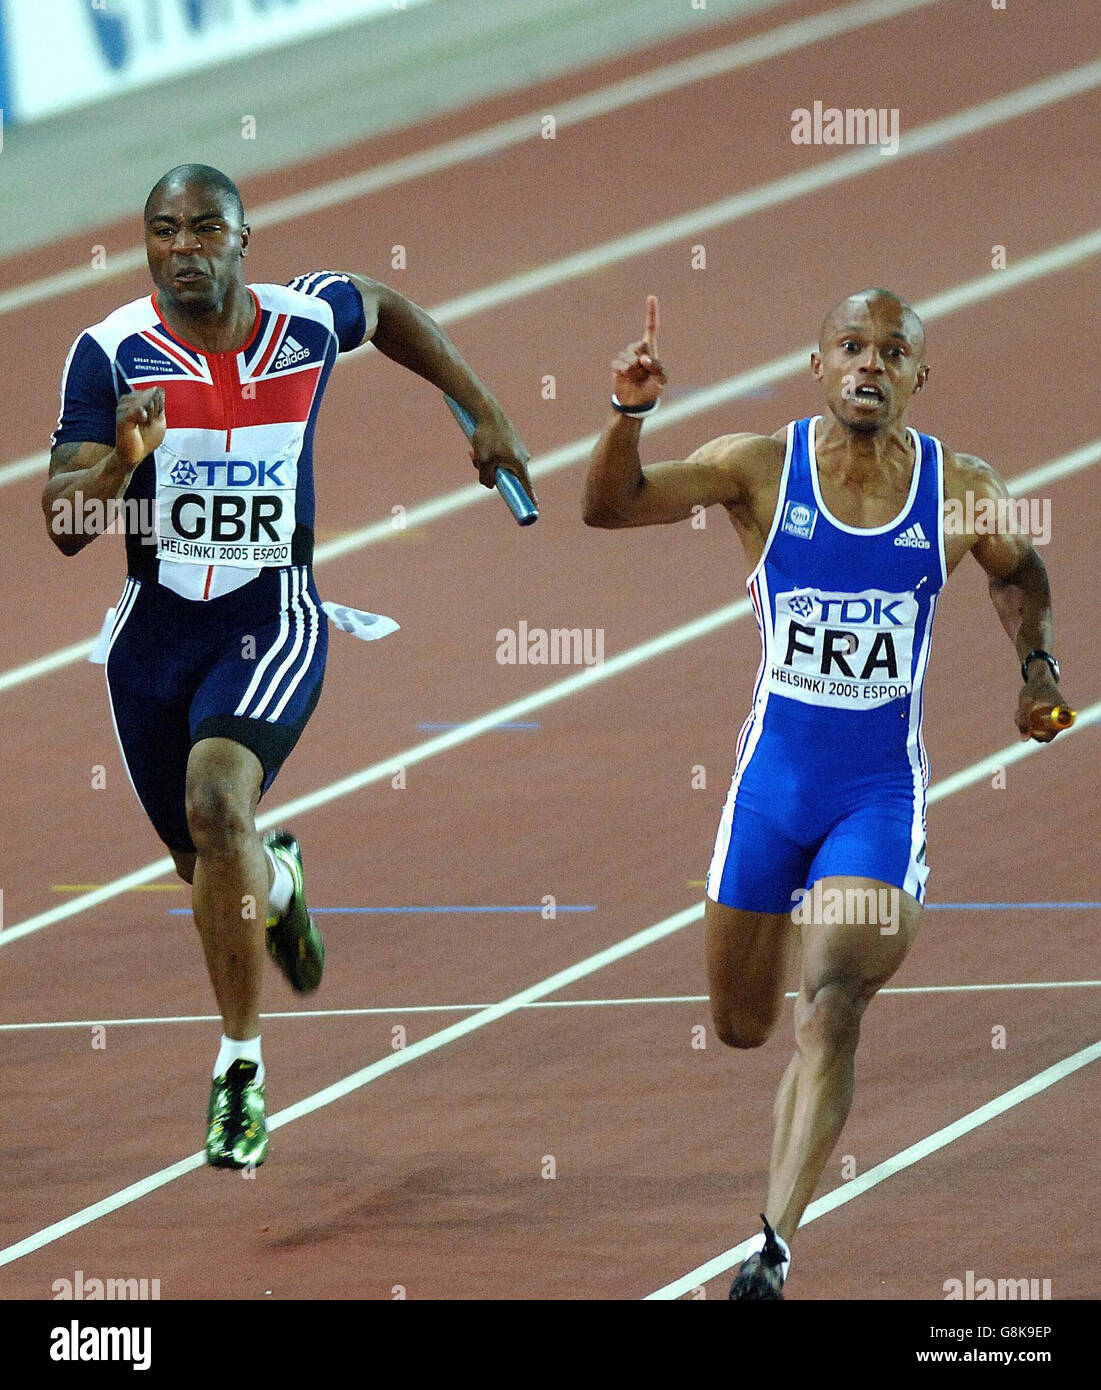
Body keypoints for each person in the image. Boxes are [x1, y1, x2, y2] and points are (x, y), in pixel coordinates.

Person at [44, 163, 535, 1171]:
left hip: (273, 615)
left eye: (205, 228)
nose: (184, 246)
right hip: (151, 636)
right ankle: (279, 885)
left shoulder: (304, 324)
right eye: (164, 231)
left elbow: (387, 309)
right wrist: (122, 462)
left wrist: (481, 405)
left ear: (243, 239)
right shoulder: (108, 356)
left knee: (218, 803)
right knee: (208, 869)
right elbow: (62, 525)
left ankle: (239, 1071)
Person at [583, 289, 1070, 1298]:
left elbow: (1019, 576)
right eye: (853, 345)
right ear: (818, 362)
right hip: (771, 793)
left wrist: (1039, 670)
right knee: (742, 1025)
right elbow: (611, 505)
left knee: (835, 996)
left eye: (894, 352)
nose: (871, 364)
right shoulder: (757, 466)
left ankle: (772, 1247)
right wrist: (627, 415)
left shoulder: (961, 488)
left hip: (876, 797)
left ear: (918, 378)